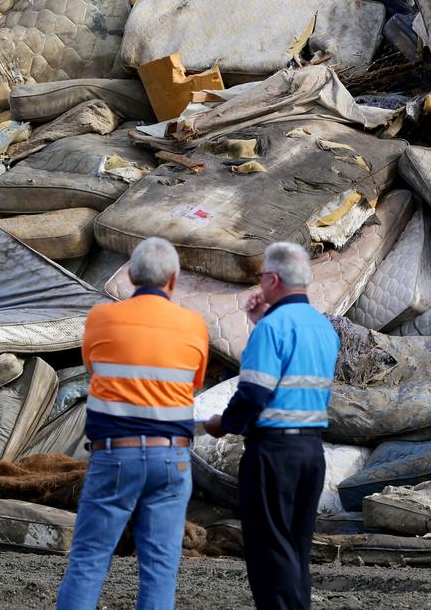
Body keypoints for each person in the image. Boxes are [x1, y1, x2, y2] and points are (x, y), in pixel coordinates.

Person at [57, 236, 209, 610]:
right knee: (159, 567)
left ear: (129, 275)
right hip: (171, 459)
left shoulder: (100, 317)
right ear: (173, 280)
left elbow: (94, 369)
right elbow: (193, 384)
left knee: (90, 559)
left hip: (115, 457)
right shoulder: (194, 326)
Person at [204, 242, 339, 610]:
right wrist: (264, 321)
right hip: (311, 452)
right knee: (294, 552)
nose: (260, 283)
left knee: (269, 556)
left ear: (274, 279)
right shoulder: (323, 327)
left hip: (273, 454)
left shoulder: (272, 329)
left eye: (262, 276)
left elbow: (254, 394)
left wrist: (223, 424)